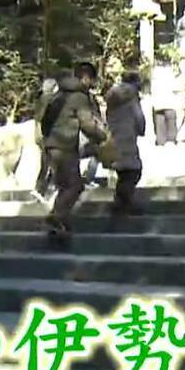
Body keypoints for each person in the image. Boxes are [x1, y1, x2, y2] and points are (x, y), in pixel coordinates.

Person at [40, 62, 108, 238]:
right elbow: (87, 124)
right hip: (65, 145)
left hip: (51, 145)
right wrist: (102, 136)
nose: (92, 84)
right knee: (75, 186)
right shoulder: (79, 97)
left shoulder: (59, 93)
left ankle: (61, 222)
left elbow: (44, 120)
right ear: (85, 78)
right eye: (92, 80)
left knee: (65, 185)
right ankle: (56, 217)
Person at [105, 72, 147, 222]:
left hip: (114, 135)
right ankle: (124, 202)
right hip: (128, 135)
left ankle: (121, 201)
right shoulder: (132, 96)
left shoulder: (112, 95)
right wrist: (141, 129)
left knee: (123, 170)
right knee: (133, 171)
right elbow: (138, 116)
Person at [31, 78, 59, 204]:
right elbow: (40, 118)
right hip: (49, 136)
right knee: (51, 164)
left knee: (47, 163)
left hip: (46, 135)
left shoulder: (42, 99)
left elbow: (37, 119)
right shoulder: (48, 99)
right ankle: (43, 190)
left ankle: (41, 190)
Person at [149, 64, 181, 147]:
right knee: (171, 121)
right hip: (170, 102)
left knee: (159, 121)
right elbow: (176, 88)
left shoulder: (155, 76)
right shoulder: (170, 75)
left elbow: (152, 90)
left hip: (158, 103)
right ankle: (171, 139)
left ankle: (160, 140)